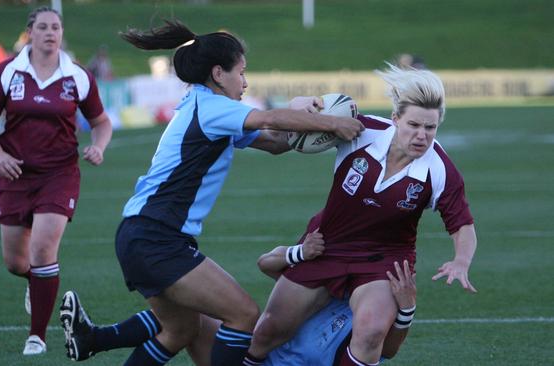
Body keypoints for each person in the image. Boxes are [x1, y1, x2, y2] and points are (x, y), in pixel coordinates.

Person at [58, 19, 364, 366]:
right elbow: (268, 119)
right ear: (219, 73)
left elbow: (276, 143)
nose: (246, 83)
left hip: (144, 235)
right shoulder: (211, 107)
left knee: (180, 329)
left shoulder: (207, 106)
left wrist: (307, 112)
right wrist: (333, 123)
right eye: (242, 73)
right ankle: (94, 338)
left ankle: (92, 338)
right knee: (244, 314)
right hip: (156, 237)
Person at [245, 63, 478, 366]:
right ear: (396, 119)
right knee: (266, 332)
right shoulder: (362, 131)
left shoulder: (441, 170)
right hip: (326, 246)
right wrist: (302, 104)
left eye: (430, 128)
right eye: (414, 125)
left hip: (383, 262)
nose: (422, 135)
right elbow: (298, 120)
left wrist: (461, 261)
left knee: (370, 335)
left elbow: (463, 225)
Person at [57, 226, 415, 365]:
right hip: (243, 354)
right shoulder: (329, 278)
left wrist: (406, 308)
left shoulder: (372, 310)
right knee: (188, 311)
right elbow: (268, 263)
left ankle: (95, 339)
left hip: (252, 357)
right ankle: (95, 339)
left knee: (190, 319)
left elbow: (388, 348)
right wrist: (301, 253)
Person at [0, 6, 113, 356]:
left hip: (60, 174)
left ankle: (36, 337)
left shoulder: (77, 76)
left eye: (56, 27)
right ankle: (36, 280)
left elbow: (102, 122)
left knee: (43, 250)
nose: (50, 33)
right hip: (14, 173)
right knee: (16, 263)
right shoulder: (8, 72)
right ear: (30, 33)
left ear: (61, 34)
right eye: (43, 27)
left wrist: (98, 147)